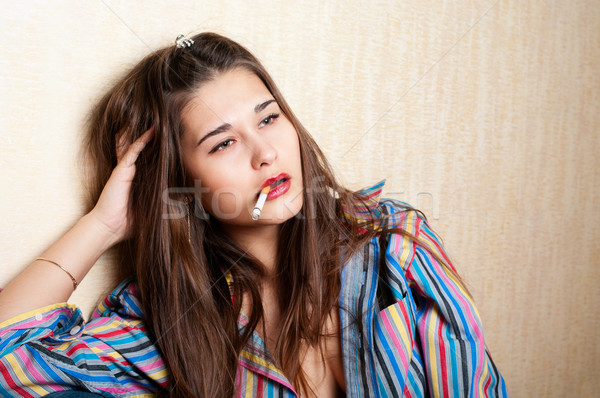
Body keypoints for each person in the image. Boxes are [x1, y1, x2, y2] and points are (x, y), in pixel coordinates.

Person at [0, 32, 508, 397]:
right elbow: (10, 365)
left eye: (269, 117)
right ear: (182, 185)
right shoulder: (166, 322)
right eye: (222, 143)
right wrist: (103, 224)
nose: (265, 152)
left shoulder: (395, 248)